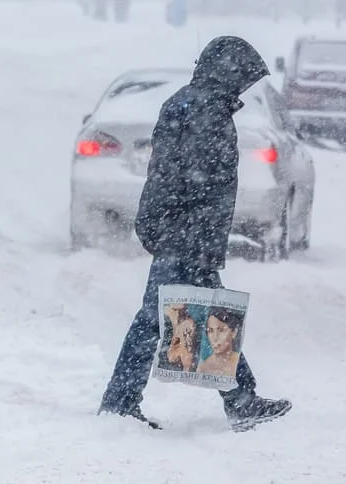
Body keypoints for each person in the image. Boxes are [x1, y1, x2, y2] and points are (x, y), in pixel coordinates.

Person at [97, 35, 292, 432]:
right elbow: (193, 180)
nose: (245, 87)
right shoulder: (205, 110)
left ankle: (241, 399)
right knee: (159, 320)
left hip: (182, 231)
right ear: (227, 73)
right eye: (244, 78)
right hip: (184, 234)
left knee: (206, 313)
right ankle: (120, 405)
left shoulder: (195, 103)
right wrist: (189, 234)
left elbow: (179, 177)